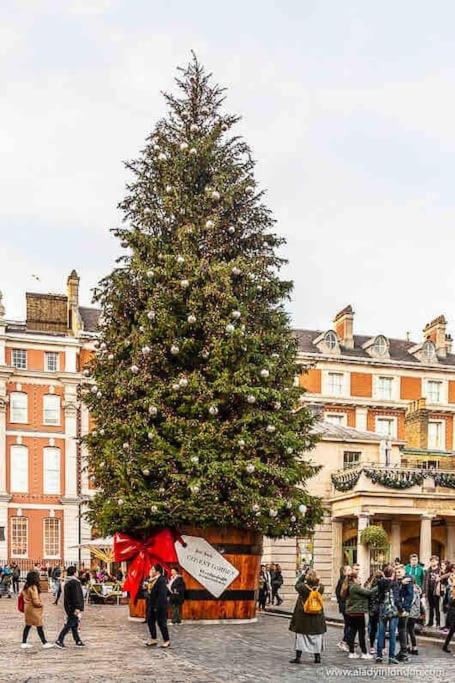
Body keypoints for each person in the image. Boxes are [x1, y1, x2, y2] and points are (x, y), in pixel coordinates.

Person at [289, 568, 326, 664]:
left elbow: (297, 584)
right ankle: (317, 657)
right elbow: (319, 583)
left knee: (301, 636)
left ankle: (298, 657)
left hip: (303, 617)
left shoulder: (302, 588)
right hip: (317, 616)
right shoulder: (321, 588)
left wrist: (303, 575)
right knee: (317, 637)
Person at [343, 570, 377, 659]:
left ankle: (352, 652)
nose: (360, 579)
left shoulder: (350, 586)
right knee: (361, 633)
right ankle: (364, 653)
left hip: (352, 613)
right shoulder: (355, 587)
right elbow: (368, 593)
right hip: (358, 613)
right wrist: (379, 587)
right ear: (354, 579)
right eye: (359, 578)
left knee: (352, 633)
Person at [21, 571, 54, 649]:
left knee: (28, 625)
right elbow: (35, 600)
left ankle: (24, 642)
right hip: (34, 609)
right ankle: (44, 642)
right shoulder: (33, 587)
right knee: (39, 625)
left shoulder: (26, 586)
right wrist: (41, 604)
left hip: (28, 608)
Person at [55, 566, 85, 648]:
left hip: (68, 606)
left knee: (74, 624)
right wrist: (78, 607)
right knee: (70, 623)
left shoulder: (67, 582)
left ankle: (77, 640)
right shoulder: (75, 582)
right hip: (74, 607)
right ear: (74, 572)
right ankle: (59, 639)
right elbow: (77, 596)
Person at [376, 565, 400, 664]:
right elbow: (396, 598)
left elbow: (379, 596)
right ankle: (391, 656)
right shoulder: (394, 583)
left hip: (383, 609)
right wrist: (401, 609)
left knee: (381, 633)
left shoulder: (380, 582)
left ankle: (379, 656)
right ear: (393, 574)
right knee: (392, 634)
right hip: (393, 610)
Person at [145, 564, 170, 648]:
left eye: (152, 569)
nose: (151, 571)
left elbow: (162, 595)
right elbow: (150, 592)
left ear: (157, 571)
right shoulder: (151, 580)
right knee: (150, 621)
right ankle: (153, 638)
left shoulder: (161, 580)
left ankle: (166, 640)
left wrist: (157, 606)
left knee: (161, 623)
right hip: (151, 604)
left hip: (160, 606)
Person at [394, 565, 414, 662]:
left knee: (402, 629)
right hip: (398, 608)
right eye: (396, 572)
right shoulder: (399, 580)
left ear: (404, 571)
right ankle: (403, 651)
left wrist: (405, 609)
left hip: (403, 609)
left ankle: (404, 652)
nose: (398, 574)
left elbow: (409, 596)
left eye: (399, 572)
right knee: (401, 630)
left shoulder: (408, 580)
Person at [365, 570, 383, 655]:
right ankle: (382, 647)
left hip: (372, 610)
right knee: (381, 629)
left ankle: (372, 647)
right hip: (381, 609)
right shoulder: (383, 585)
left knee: (373, 629)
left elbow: (368, 597)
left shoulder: (370, 586)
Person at [335, 565, 351, 652]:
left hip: (344, 605)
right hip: (347, 606)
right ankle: (344, 641)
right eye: (349, 569)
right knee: (350, 624)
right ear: (344, 572)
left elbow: (336, 592)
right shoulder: (345, 581)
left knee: (348, 624)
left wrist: (340, 601)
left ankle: (347, 641)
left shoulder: (341, 580)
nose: (351, 570)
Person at [423, 555, 441, 628]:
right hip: (429, 590)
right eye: (431, 561)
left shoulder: (439, 570)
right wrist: (424, 591)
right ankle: (430, 622)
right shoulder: (428, 570)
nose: (432, 562)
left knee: (437, 607)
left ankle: (438, 622)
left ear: (437, 561)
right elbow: (425, 581)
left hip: (436, 591)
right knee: (430, 607)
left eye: (434, 560)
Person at [407, 579, 422, 655]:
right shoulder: (417, 589)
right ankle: (414, 647)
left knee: (408, 630)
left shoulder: (413, 590)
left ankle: (409, 647)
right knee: (411, 630)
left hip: (411, 612)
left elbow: (411, 601)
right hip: (415, 612)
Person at [442, 574, 455, 653]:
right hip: (452, 613)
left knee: (452, 631)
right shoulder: (449, 589)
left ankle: (445, 646)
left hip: (452, 612)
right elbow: (447, 601)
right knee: (452, 630)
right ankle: (445, 646)